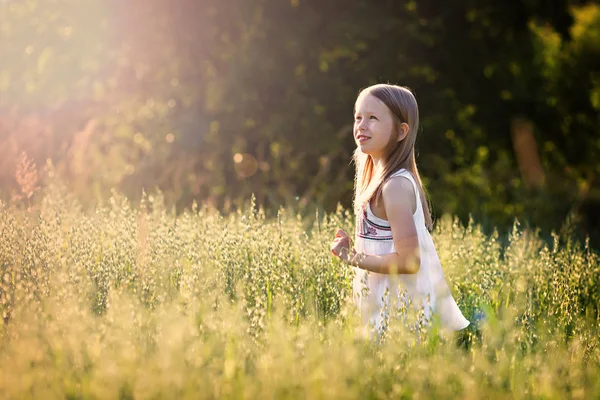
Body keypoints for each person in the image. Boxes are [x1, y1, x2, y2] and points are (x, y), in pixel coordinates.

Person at [330, 83, 470, 334]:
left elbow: (409, 261)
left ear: (401, 131)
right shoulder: (377, 182)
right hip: (384, 311)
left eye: (373, 118)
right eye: (358, 117)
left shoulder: (395, 186)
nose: (361, 125)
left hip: (402, 317)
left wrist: (352, 257)